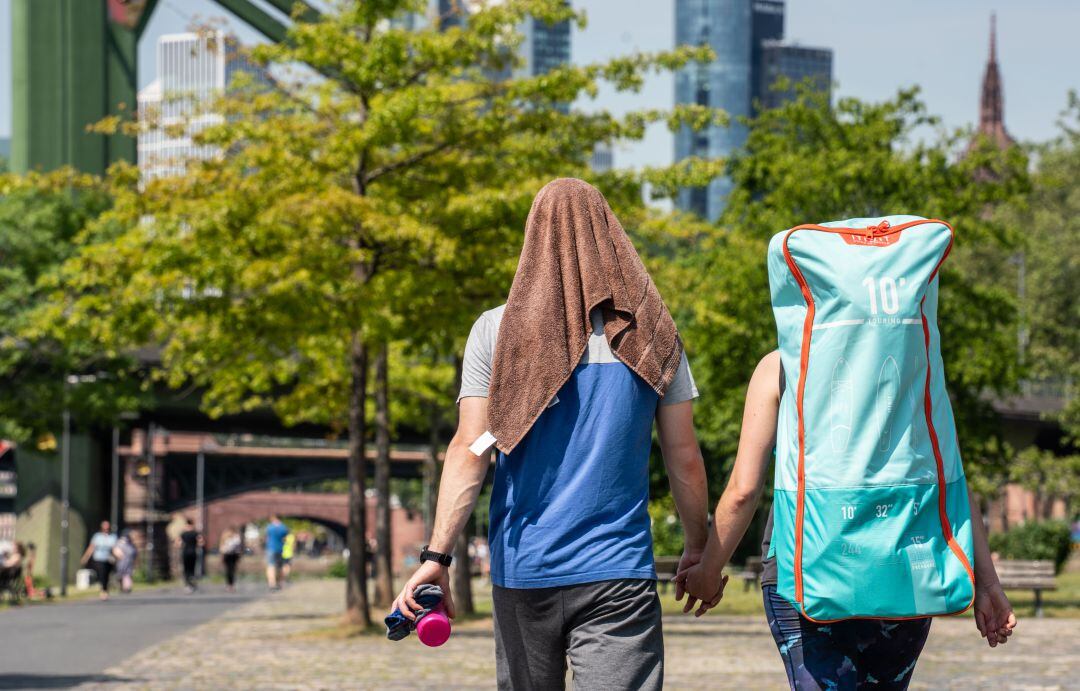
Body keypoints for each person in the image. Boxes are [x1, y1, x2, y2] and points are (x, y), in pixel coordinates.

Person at [392, 179, 710, 690]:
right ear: (611, 238)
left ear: (532, 237)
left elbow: (470, 451)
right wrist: (699, 547)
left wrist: (436, 557)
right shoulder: (652, 335)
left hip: (525, 569)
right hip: (619, 571)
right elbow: (684, 456)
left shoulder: (496, 332)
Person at [677, 351, 1018, 689]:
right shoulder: (918, 360)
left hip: (803, 572)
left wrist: (708, 570)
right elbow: (951, 481)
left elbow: (744, 491)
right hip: (898, 569)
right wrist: (987, 584)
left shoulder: (783, 364)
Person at [81, 520, 117, 600]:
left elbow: (114, 549)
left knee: (106, 575)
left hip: (108, 559)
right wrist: (85, 557)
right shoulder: (97, 536)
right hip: (98, 558)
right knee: (101, 574)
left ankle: (105, 589)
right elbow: (91, 548)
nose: (106, 530)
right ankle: (103, 590)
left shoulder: (112, 537)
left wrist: (118, 557)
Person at [176, 519, 203, 593]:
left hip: (185, 553)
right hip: (193, 553)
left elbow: (178, 543)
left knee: (186, 569)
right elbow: (201, 542)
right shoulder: (196, 533)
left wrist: (181, 546)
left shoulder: (183, 534)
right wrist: (197, 545)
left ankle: (187, 585)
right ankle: (192, 584)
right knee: (192, 569)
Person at [264, 515, 289, 591]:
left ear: (273, 518)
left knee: (271, 566)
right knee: (280, 567)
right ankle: (280, 582)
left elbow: (267, 538)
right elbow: (285, 539)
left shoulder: (269, 527)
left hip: (271, 548)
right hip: (280, 549)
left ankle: (272, 583)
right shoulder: (284, 528)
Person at [112, 530, 138, 594]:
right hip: (122, 561)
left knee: (127, 574)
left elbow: (135, 552)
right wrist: (119, 555)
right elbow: (116, 551)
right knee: (121, 574)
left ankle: (127, 587)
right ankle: (122, 586)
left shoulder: (131, 544)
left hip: (129, 561)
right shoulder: (121, 542)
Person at [220, 527, 243, 592]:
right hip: (232, 555)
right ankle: (231, 585)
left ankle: (230, 585)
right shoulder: (234, 537)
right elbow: (239, 547)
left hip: (229, 555)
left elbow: (222, 547)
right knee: (231, 570)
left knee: (229, 570)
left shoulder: (227, 536)